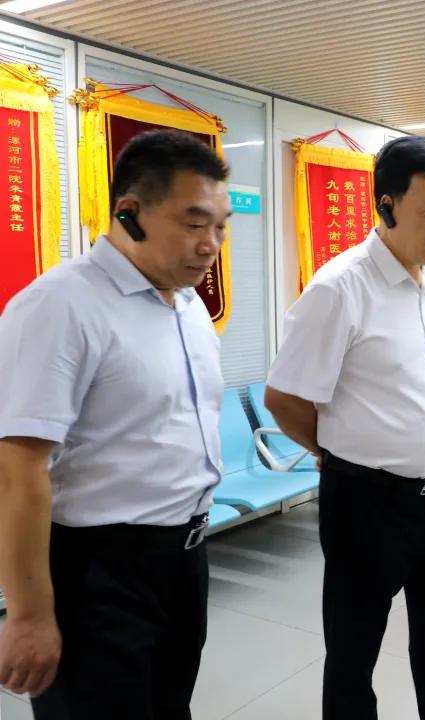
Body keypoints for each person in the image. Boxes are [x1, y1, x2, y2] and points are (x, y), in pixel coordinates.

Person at [0, 129, 230, 718]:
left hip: (184, 558)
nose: (210, 245)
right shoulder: (61, 305)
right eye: (194, 223)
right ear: (129, 212)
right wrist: (29, 616)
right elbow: (17, 469)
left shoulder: (187, 306)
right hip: (99, 572)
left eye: (220, 226)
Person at [263, 135, 425, 720]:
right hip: (367, 503)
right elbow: (284, 398)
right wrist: (333, 450)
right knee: (354, 651)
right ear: (386, 205)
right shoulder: (340, 288)